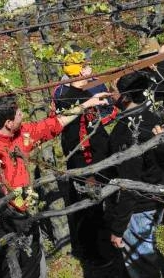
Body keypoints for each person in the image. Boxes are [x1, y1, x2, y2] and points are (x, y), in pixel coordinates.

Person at [105, 71, 164, 278]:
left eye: (114, 91)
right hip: (152, 197)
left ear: (126, 97)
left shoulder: (128, 132)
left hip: (138, 207)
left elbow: (129, 182)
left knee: (141, 262)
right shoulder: (148, 117)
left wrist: (119, 226)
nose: (111, 95)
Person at [0, 92, 108, 194]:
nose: (22, 116)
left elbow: (57, 122)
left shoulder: (22, 132)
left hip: (26, 206)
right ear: (8, 123)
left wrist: (88, 103)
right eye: (19, 114)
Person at [54, 51, 113, 264]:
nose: (90, 69)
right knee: (90, 204)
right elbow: (82, 133)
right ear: (79, 71)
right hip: (85, 158)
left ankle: (93, 245)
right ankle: (92, 252)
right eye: (86, 66)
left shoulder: (68, 93)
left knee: (92, 202)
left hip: (86, 155)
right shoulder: (74, 98)